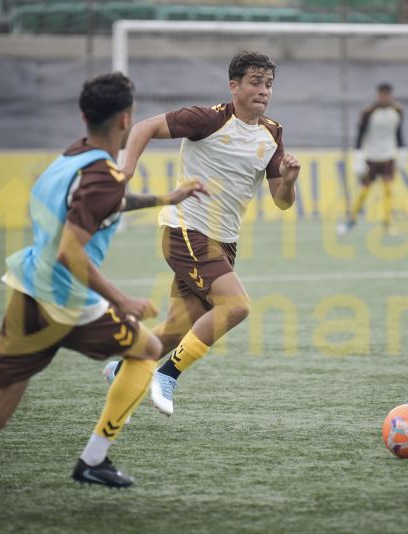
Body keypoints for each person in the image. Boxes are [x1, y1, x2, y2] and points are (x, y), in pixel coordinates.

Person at [0, 72, 207, 519]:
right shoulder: (105, 178)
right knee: (148, 350)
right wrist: (122, 299)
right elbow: (70, 250)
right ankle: (94, 460)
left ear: (84, 116)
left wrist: (164, 197)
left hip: (26, 290)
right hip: (67, 302)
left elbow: (100, 203)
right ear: (126, 119)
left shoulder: (72, 157)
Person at [103, 50, 301, 417]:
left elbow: (282, 202)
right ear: (234, 86)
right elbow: (143, 127)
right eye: (256, 82)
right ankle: (166, 374)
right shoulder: (206, 119)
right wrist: (124, 172)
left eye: (269, 84)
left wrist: (288, 182)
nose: (264, 91)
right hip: (187, 230)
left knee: (180, 327)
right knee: (237, 306)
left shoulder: (272, 134)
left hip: (223, 242)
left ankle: (123, 368)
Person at [338, 82, 407, 236]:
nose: (384, 97)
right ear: (378, 95)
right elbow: (360, 136)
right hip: (371, 158)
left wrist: (402, 154)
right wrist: (359, 158)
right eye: (382, 94)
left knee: (389, 190)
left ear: (391, 95)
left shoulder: (398, 111)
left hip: (388, 157)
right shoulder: (368, 112)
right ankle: (352, 220)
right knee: (364, 191)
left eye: (387, 94)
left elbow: (399, 134)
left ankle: (387, 225)